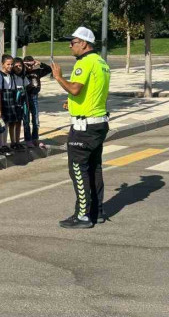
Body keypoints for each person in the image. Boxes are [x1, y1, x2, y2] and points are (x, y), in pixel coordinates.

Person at [51, 27, 111, 229]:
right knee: (94, 168)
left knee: (78, 168)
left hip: (84, 127)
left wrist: (58, 77)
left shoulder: (84, 62)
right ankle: (97, 212)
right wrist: (74, 104)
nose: (70, 45)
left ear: (84, 43)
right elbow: (92, 93)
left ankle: (83, 215)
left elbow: (75, 88)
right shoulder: (101, 63)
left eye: (73, 42)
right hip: (98, 122)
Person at [0, 55, 28, 152]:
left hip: (12, 102)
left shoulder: (12, 76)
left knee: (9, 123)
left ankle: (8, 144)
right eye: (8, 64)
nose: (10, 66)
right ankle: (2, 145)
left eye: (11, 64)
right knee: (3, 124)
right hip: (4, 101)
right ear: (2, 64)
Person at [23, 55, 52, 148]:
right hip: (25, 97)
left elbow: (49, 69)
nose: (30, 67)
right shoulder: (22, 72)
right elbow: (16, 69)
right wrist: (24, 65)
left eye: (32, 65)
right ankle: (28, 140)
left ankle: (35, 138)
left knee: (36, 120)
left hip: (34, 97)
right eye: (28, 65)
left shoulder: (37, 72)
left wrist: (39, 63)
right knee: (26, 120)